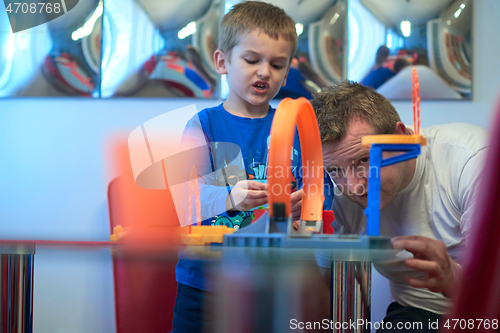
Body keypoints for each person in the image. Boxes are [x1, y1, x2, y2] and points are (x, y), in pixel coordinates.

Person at [172, 2, 332, 332]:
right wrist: (232, 196)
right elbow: (184, 202)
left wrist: (304, 212)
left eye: (276, 65)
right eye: (251, 60)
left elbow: (321, 197)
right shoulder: (203, 125)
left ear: (287, 73)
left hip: (274, 281)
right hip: (204, 285)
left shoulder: (297, 128)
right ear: (222, 61)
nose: (264, 72)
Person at [312, 81, 487, 332]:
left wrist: (453, 278)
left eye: (363, 160)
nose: (354, 187)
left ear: (401, 138)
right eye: (334, 170)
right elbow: (326, 295)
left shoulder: (472, 160)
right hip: (413, 316)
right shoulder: (338, 196)